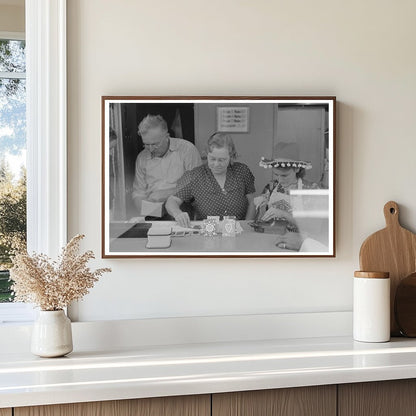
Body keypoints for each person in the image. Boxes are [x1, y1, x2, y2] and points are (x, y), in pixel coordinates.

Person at [166, 132, 256, 228]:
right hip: (208, 232)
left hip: (237, 231)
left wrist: (246, 225)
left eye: (222, 160)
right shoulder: (194, 176)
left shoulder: (242, 171)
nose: (216, 164)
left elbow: (252, 202)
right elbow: (172, 201)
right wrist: (178, 214)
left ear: (231, 156)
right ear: (206, 154)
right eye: (212, 159)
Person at [253, 142, 327, 252]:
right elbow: (261, 220)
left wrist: (283, 214)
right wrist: (261, 205)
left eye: (284, 175)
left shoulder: (311, 189)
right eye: (276, 175)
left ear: (297, 169)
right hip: (272, 241)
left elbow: (315, 228)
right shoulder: (272, 186)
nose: (280, 180)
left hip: (299, 245)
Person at [132, 114, 202, 219]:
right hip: (152, 211)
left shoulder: (187, 150)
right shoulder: (142, 157)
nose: (150, 149)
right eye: (146, 144)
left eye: (155, 144)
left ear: (167, 136)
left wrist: (167, 199)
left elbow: (196, 186)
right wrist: (145, 211)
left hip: (181, 208)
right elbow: (138, 193)